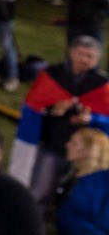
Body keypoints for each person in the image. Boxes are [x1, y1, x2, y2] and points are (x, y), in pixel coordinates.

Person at [22, 36, 109, 203]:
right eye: (80, 54)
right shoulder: (52, 76)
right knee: (41, 190)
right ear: (71, 52)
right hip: (54, 144)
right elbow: (33, 108)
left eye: (90, 56)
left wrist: (91, 119)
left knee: (79, 196)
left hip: (88, 153)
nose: (84, 59)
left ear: (97, 59)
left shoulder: (103, 85)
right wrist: (52, 111)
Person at [57, 127, 109, 235]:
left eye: (74, 143)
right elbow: (67, 217)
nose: (67, 145)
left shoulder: (93, 182)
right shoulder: (81, 179)